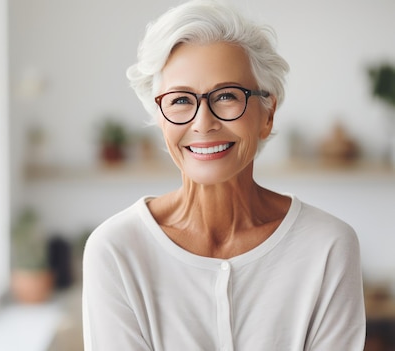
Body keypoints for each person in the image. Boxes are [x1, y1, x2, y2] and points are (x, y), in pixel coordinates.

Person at [82, 1, 366, 350]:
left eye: (228, 95)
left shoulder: (329, 247)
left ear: (268, 114)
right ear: (160, 118)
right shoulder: (115, 251)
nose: (203, 122)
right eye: (181, 100)